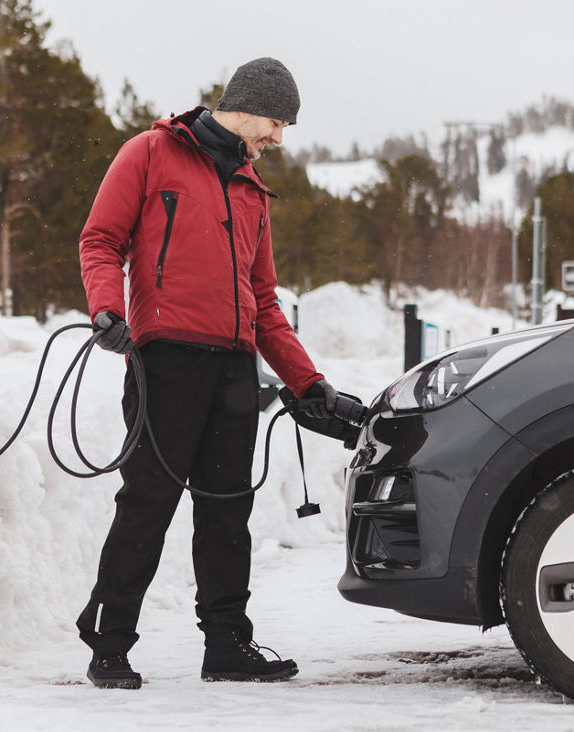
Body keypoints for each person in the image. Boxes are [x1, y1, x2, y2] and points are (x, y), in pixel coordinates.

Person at [75, 57, 340, 690]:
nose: (278, 138)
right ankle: (109, 644)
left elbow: (265, 300)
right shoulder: (149, 152)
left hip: (233, 369)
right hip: (164, 359)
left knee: (227, 511)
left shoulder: (251, 188)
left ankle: (227, 645)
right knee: (148, 504)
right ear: (245, 105)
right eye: (276, 123)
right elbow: (100, 240)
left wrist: (307, 381)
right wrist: (107, 309)